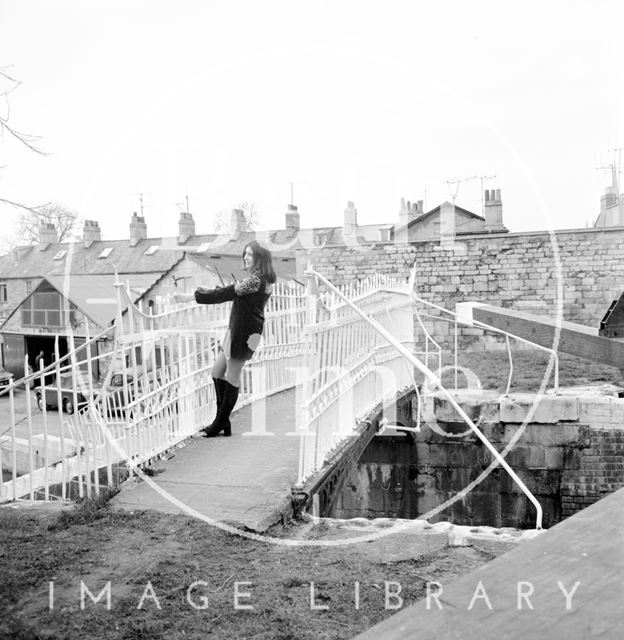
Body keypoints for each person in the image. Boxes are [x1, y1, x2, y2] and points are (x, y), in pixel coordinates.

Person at [173, 241, 276, 437]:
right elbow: (234, 292)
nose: (245, 258)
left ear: (260, 259)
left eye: (250, 255)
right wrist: (209, 290)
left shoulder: (257, 280)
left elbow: (227, 293)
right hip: (237, 331)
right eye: (245, 254)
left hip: (245, 334)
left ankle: (219, 422)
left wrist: (192, 297)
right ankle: (222, 421)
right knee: (217, 371)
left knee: (233, 377)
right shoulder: (257, 280)